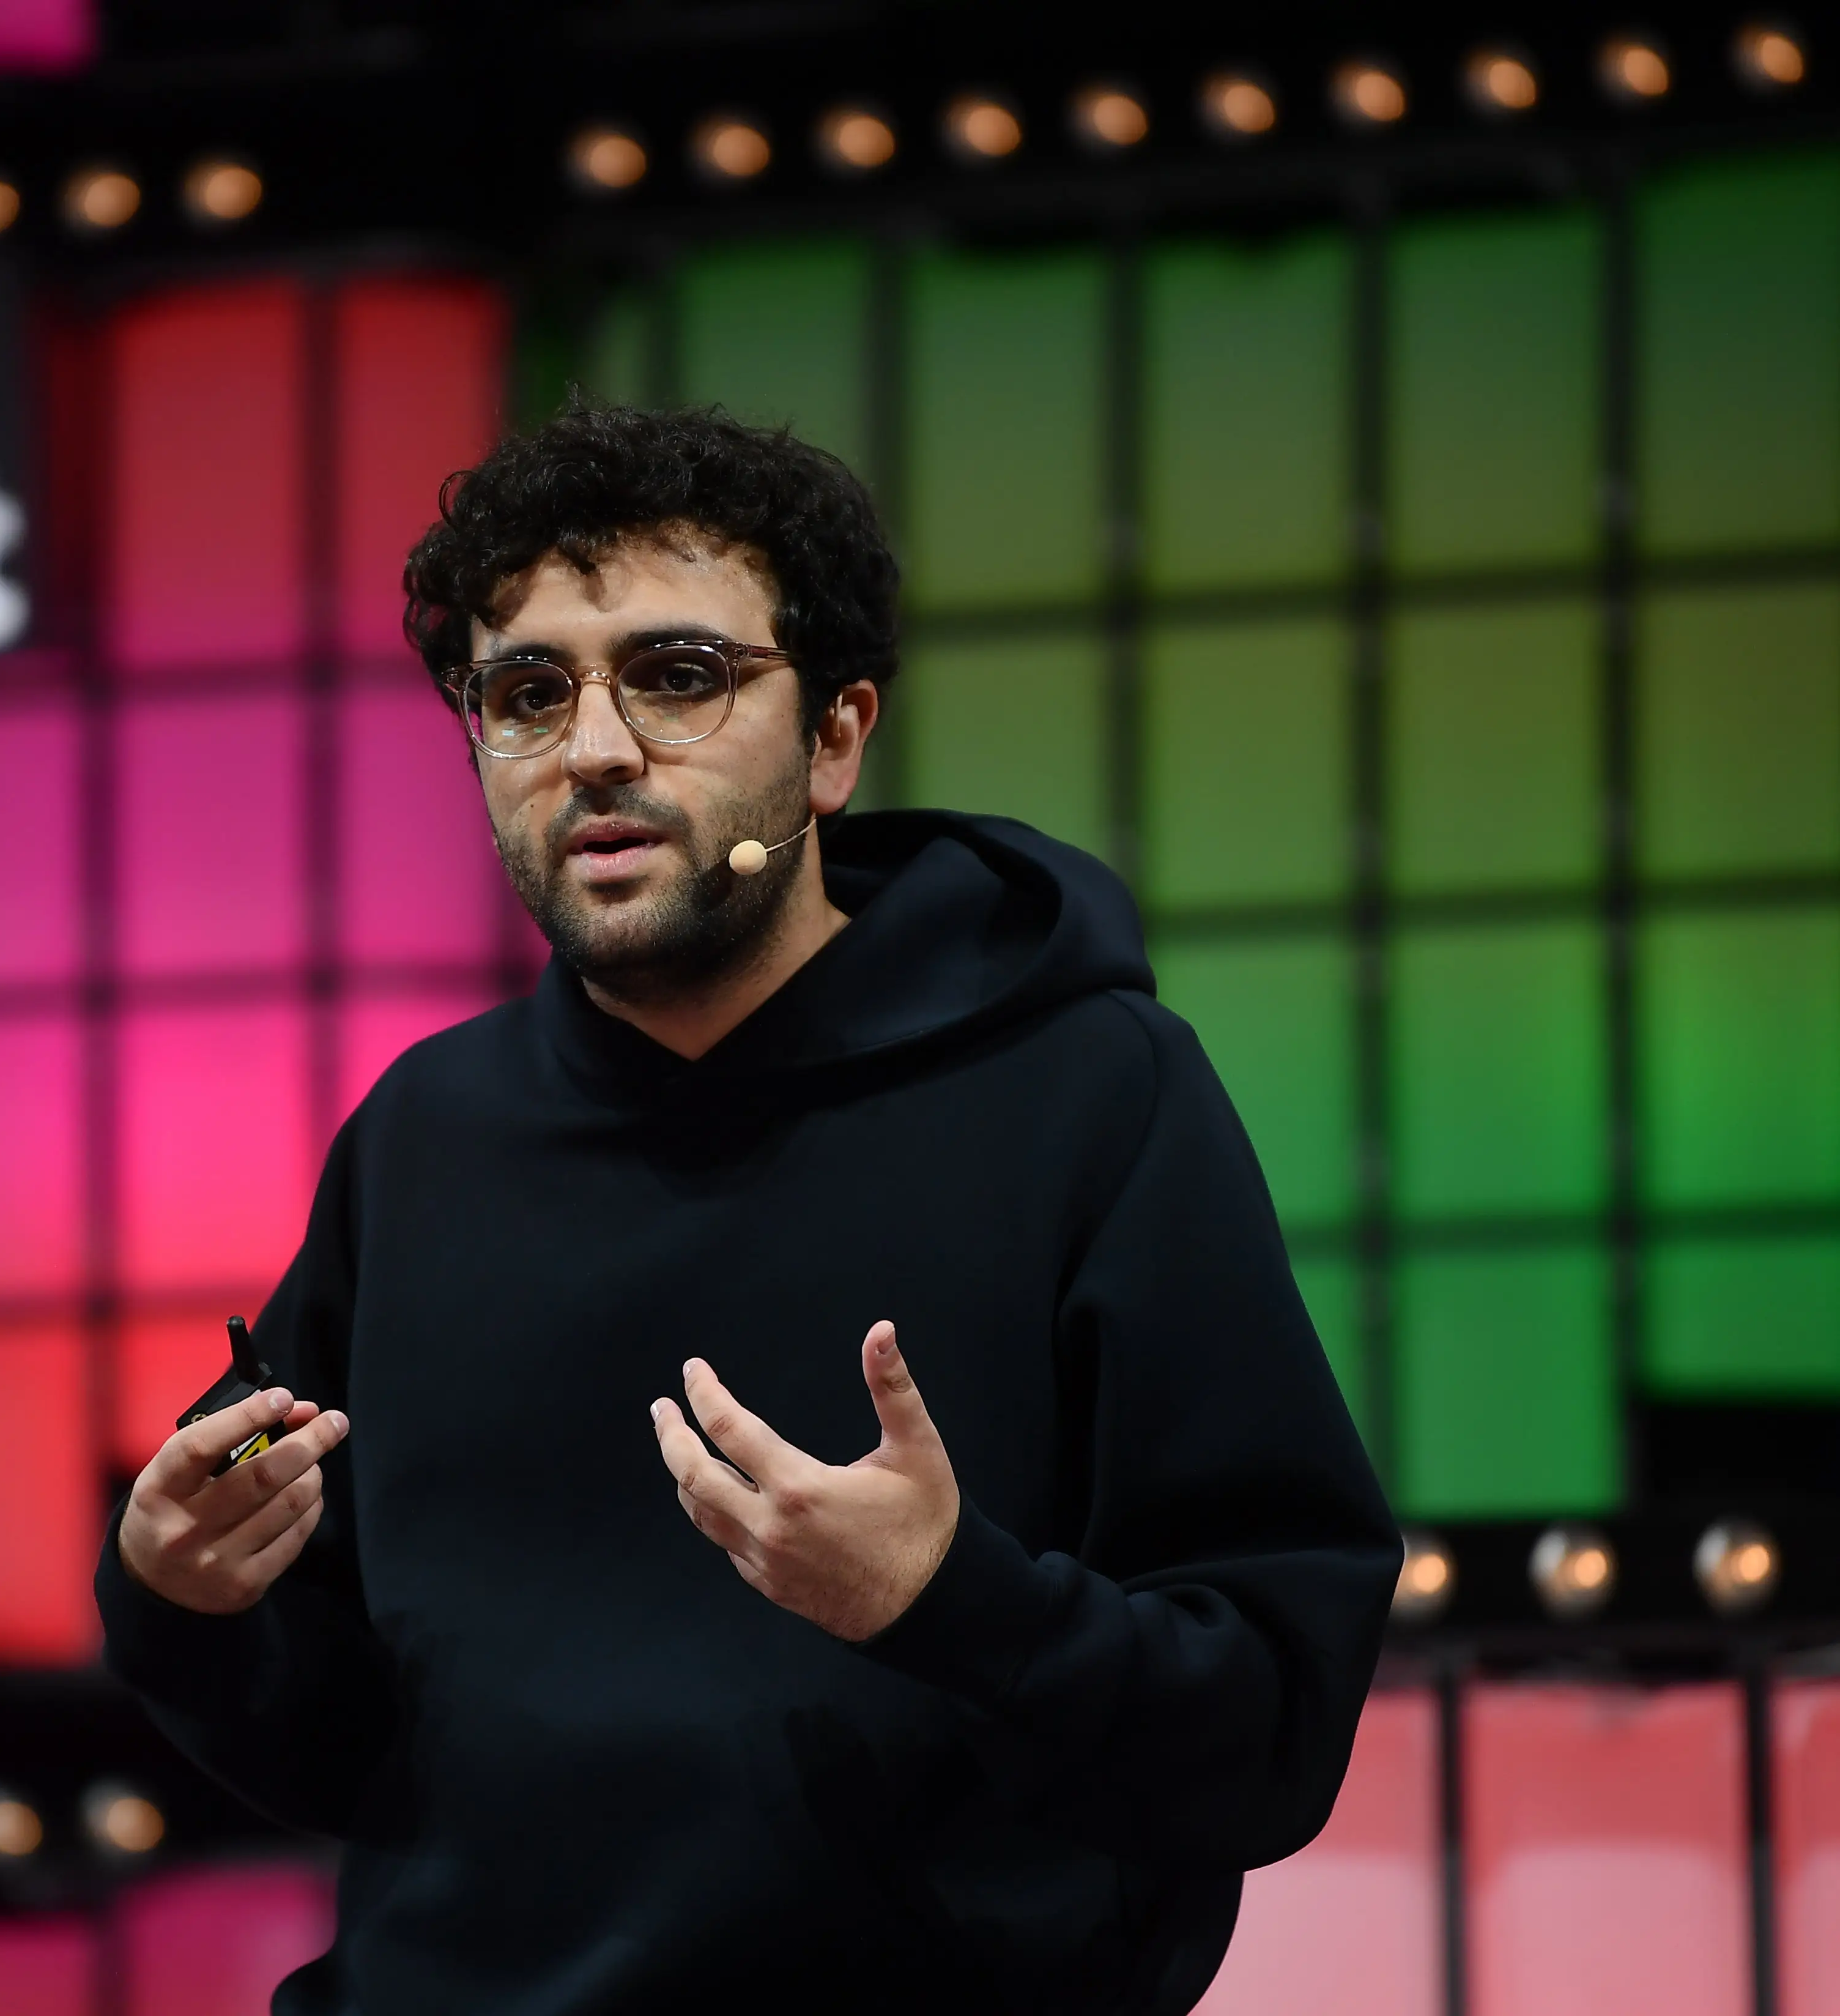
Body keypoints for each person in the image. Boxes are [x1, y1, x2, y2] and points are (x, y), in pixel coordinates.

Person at [94, 400, 1401, 2014]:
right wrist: (179, 1596)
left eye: (676, 675)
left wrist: (948, 1600)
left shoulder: (1088, 1092)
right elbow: (354, 1749)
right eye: (523, 694)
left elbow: (1264, 1725)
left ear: (837, 733)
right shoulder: (423, 1136)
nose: (593, 747)